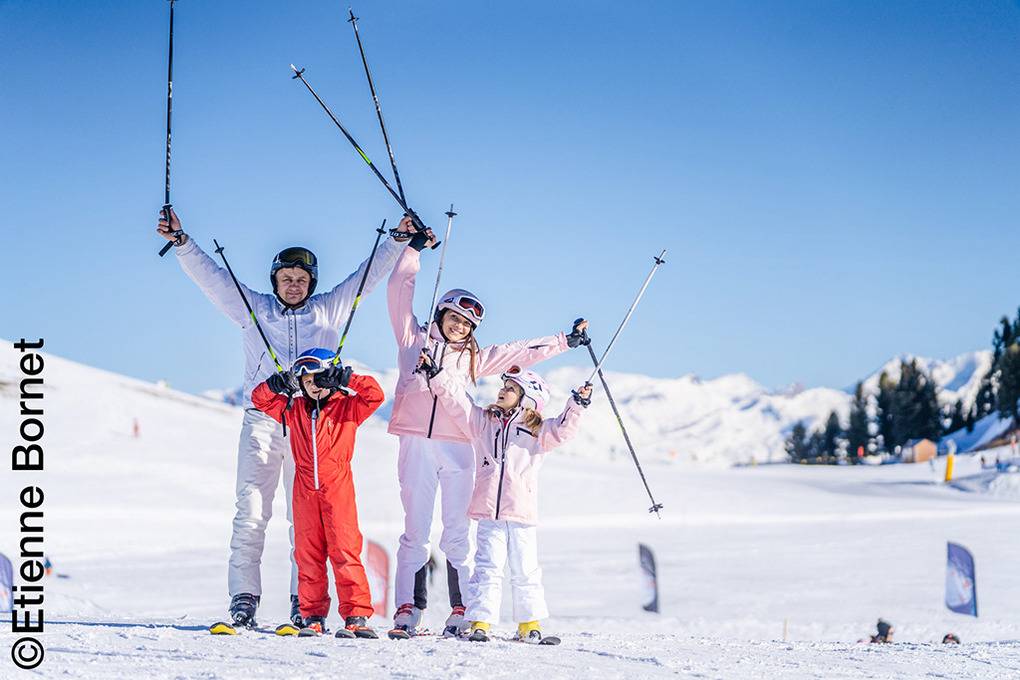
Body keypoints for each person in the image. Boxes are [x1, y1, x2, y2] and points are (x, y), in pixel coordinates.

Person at [157, 207, 418, 626]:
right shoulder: (254, 309)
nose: (293, 285)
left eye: (301, 279)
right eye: (286, 278)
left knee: (305, 519)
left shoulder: (329, 309)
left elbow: (365, 277)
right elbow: (214, 280)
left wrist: (398, 239)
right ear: (274, 280)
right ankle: (244, 598)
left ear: (311, 283)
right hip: (263, 419)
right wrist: (182, 242)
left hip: (309, 423)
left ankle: (304, 602)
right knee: (251, 511)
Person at [386, 237, 589, 637]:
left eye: (467, 324)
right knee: (415, 529)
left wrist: (564, 341)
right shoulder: (414, 340)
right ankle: (408, 608)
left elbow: (520, 352)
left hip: (460, 447)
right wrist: (412, 251)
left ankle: (462, 608)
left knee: (457, 531)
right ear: (441, 314)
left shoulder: (474, 358)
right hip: (415, 444)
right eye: (454, 318)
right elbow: (398, 292)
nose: (459, 327)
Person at [419, 354, 590, 643]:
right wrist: (438, 377)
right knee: (487, 567)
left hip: (521, 513)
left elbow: (563, 430)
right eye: (505, 385)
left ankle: (529, 624)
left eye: (511, 388)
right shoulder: (484, 423)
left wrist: (577, 405)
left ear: (527, 399)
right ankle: (480, 622)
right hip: (489, 513)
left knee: (525, 569)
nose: (502, 390)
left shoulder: (538, 431)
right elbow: (457, 403)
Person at [251, 348, 383, 637]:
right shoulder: (294, 408)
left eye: (319, 379)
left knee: (344, 549)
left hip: (338, 488)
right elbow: (260, 400)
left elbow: (375, 395)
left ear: (330, 377)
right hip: (304, 491)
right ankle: (312, 615)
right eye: (307, 381)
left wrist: (347, 378)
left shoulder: (347, 407)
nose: (313, 385)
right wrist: (275, 384)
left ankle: (357, 614)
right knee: (307, 553)